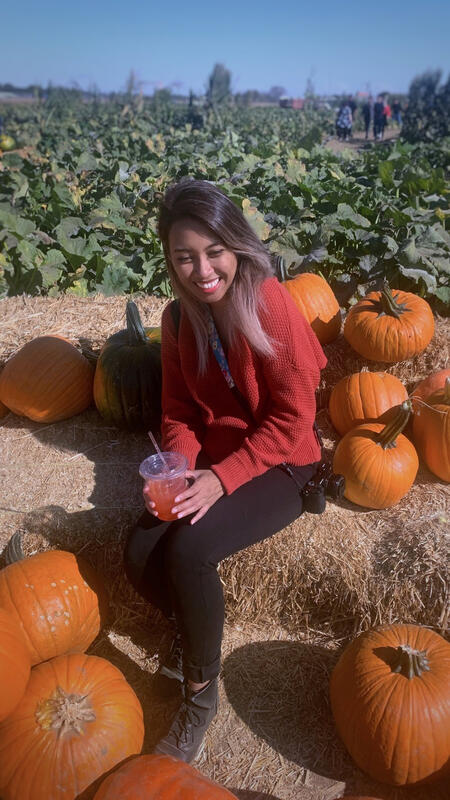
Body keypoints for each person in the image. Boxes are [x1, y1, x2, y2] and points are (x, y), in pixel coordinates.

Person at [124, 179, 327, 763]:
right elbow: (179, 412)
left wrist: (221, 478)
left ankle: (198, 694)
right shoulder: (175, 319)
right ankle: (193, 625)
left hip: (286, 461)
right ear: (170, 261)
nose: (202, 269)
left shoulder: (270, 304)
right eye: (184, 257)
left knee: (190, 551)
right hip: (218, 456)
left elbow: (294, 419)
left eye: (213, 251)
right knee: (138, 549)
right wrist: (180, 468)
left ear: (237, 245)